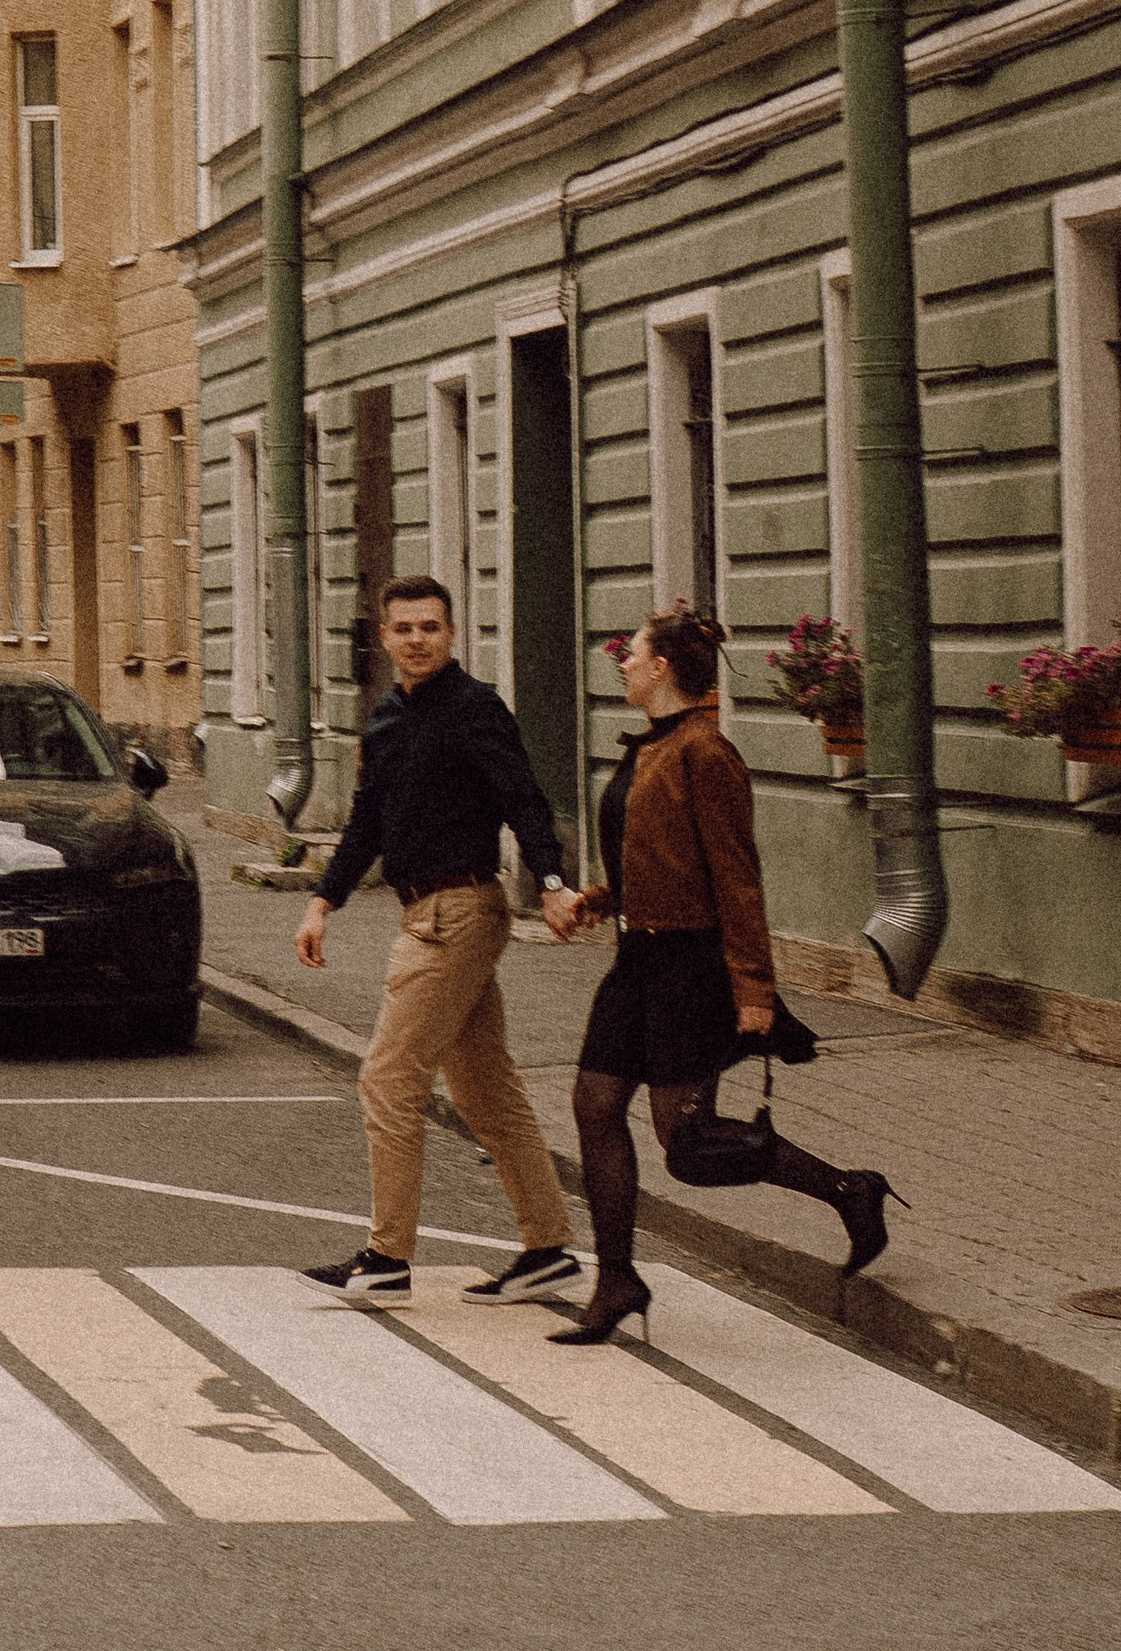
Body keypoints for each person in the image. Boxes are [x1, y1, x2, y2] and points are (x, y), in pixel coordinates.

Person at [559, 605, 900, 1344]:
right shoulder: (650, 745)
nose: (622, 662)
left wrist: (755, 993)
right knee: (593, 1104)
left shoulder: (707, 753)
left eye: (633, 653)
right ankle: (616, 1280)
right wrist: (599, 898)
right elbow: (656, 852)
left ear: (662, 669)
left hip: (691, 965)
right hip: (637, 958)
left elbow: (736, 880)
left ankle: (850, 1189)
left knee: (687, 1146)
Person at [295, 575, 586, 1305]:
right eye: (403, 629)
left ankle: (386, 1260)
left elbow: (524, 797)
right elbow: (367, 820)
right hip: (421, 910)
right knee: (486, 1093)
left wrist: (551, 885)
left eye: (430, 626)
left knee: (388, 1079)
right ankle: (548, 1248)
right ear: (385, 639)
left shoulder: (476, 709)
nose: (417, 639)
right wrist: (323, 898)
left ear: (452, 634)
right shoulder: (388, 718)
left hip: (456, 913)